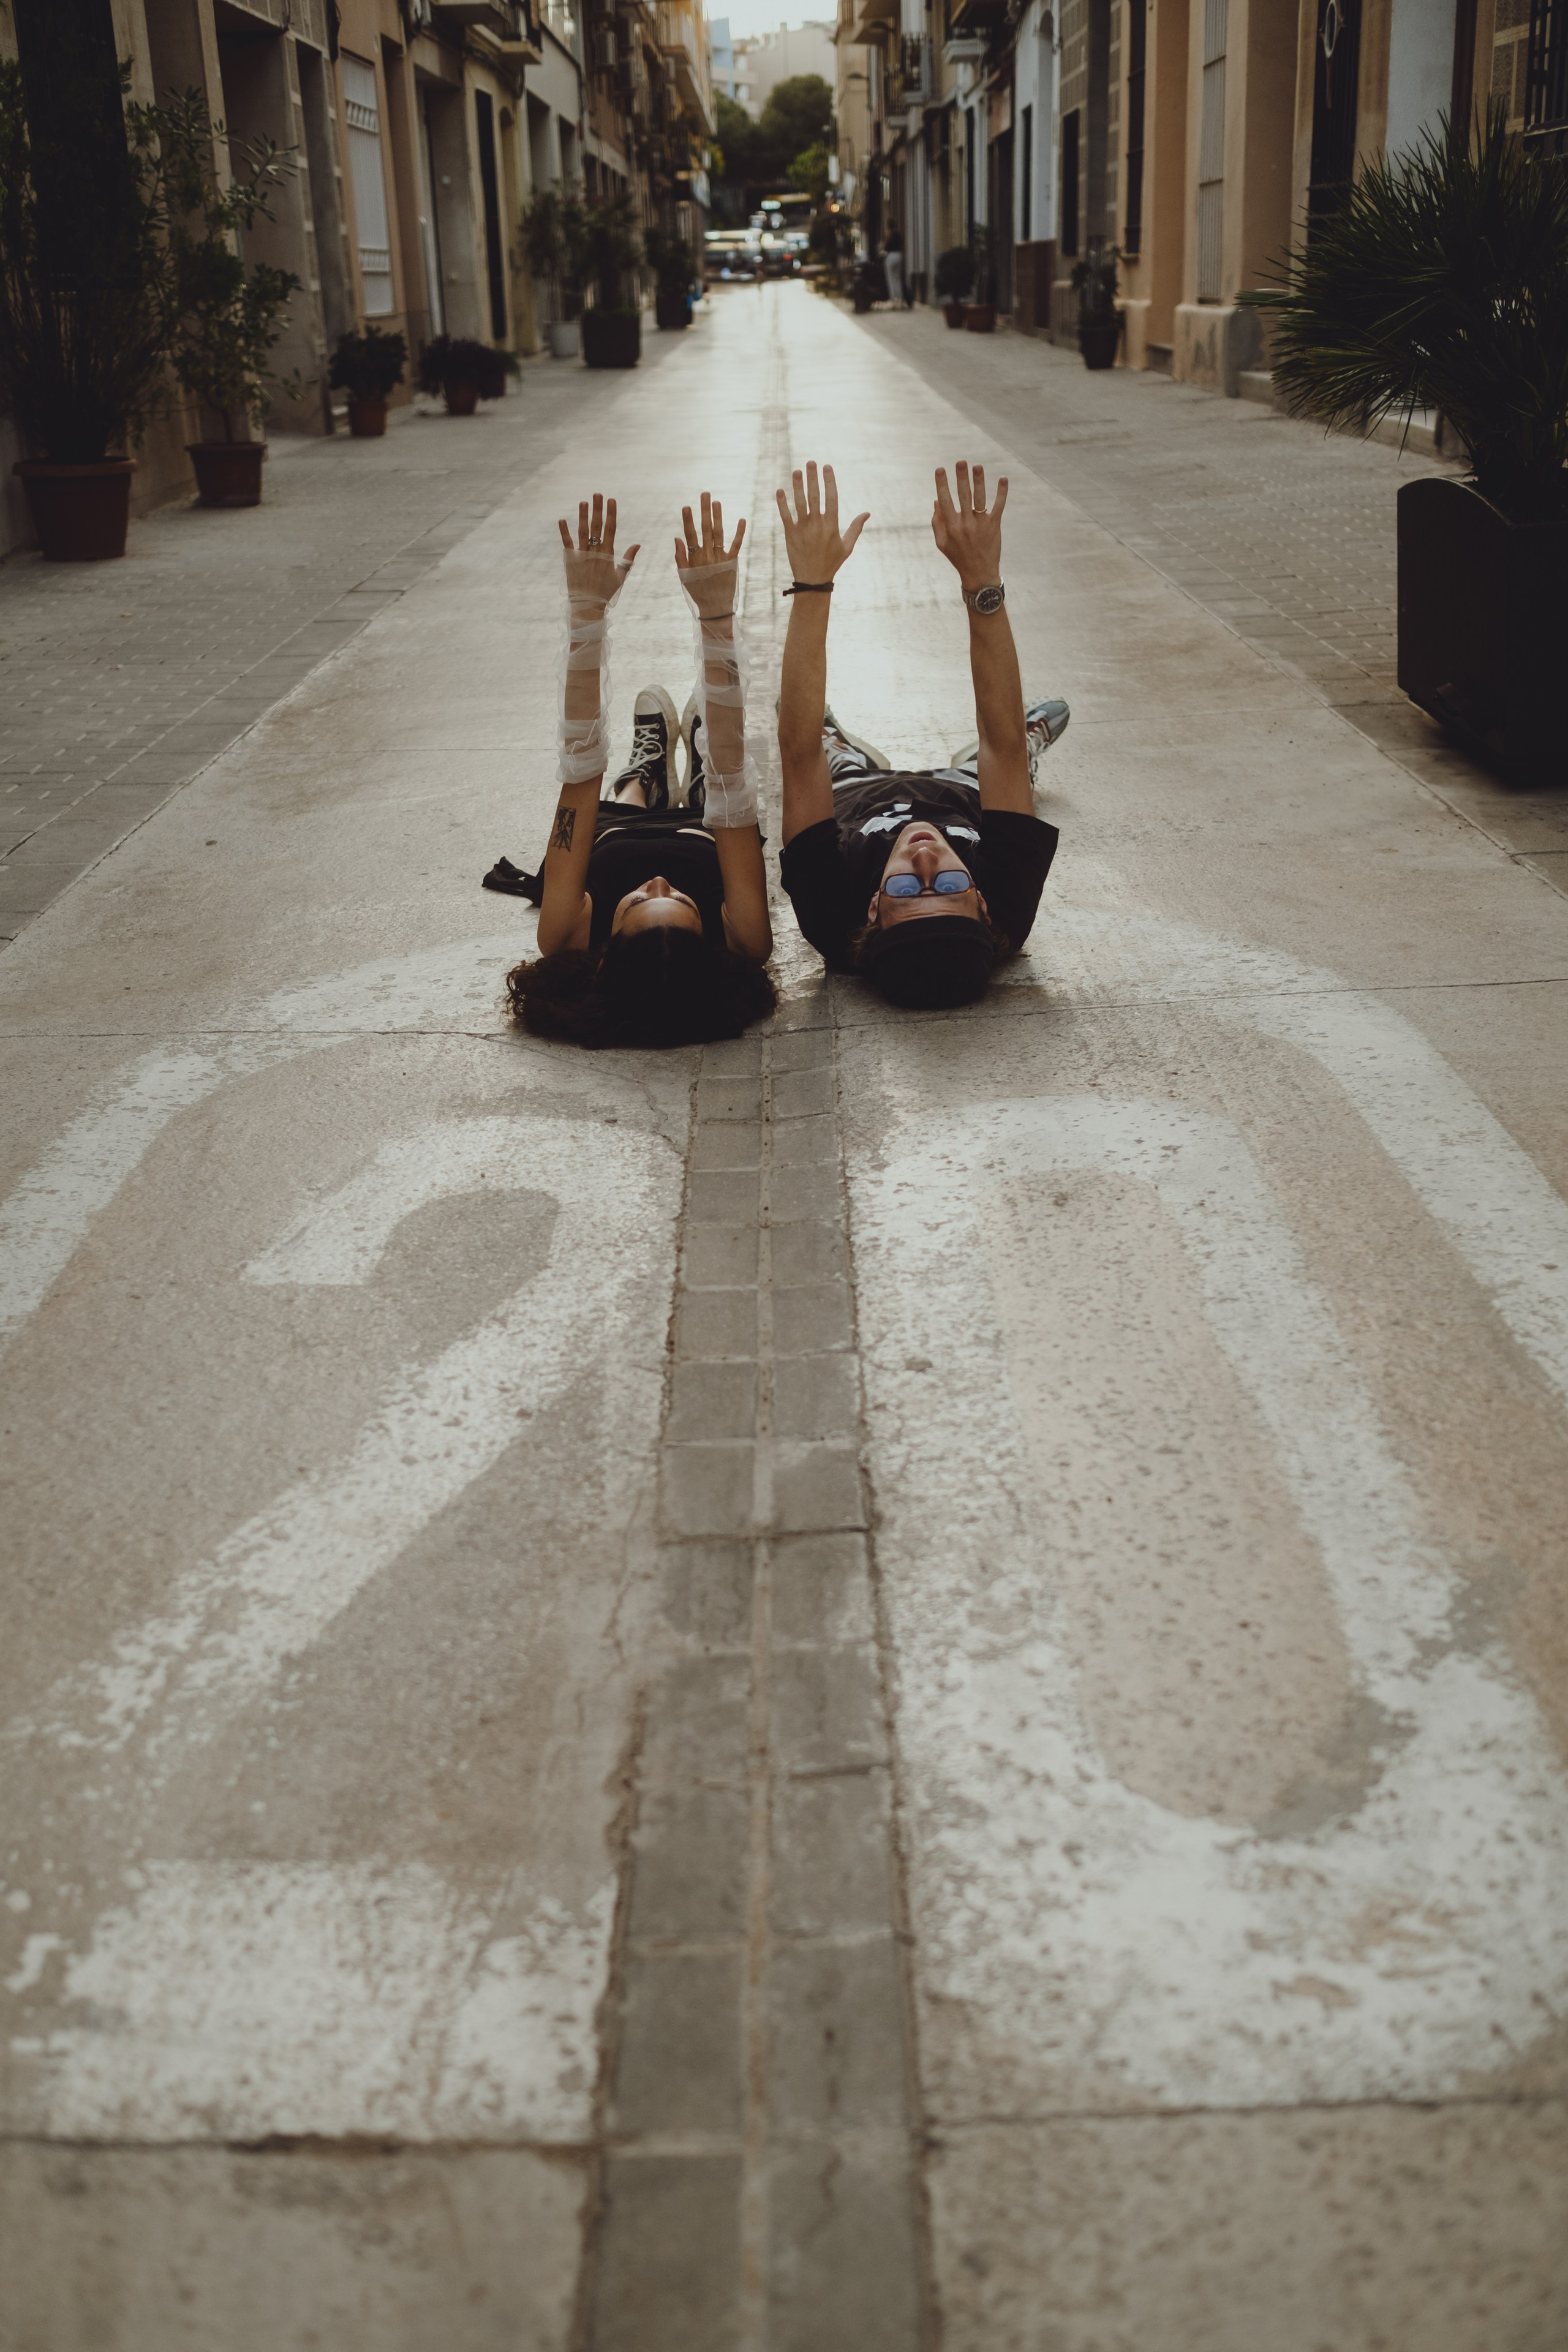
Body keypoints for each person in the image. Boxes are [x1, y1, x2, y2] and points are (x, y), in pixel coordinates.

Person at [775, 459, 1065, 1011]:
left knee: (813, 735)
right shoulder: (1008, 905)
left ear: (873, 909)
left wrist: (813, 585)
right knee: (1001, 761)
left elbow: (797, 752)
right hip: (965, 792)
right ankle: (1028, 751)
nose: (926, 861)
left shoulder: (830, 915)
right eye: (950, 888)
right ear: (981, 903)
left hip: (854, 794)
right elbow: (999, 742)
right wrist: (981, 582)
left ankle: (845, 748)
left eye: (907, 890)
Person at [499, 491, 775, 1048]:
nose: (658, 883)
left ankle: (640, 780)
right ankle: (692, 777)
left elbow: (580, 770)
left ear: (602, 957)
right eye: (682, 900)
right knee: (716, 789)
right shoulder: (744, 942)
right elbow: (732, 776)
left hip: (614, 824)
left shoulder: (566, 936)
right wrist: (716, 616)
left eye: (639, 902)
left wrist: (587, 613)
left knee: (615, 801)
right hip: (707, 824)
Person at [883, 225, 905, 308]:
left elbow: (886, 246)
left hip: (891, 256)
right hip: (899, 255)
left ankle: (894, 300)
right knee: (898, 278)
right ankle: (900, 299)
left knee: (891, 279)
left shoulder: (889, 234)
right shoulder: (898, 235)